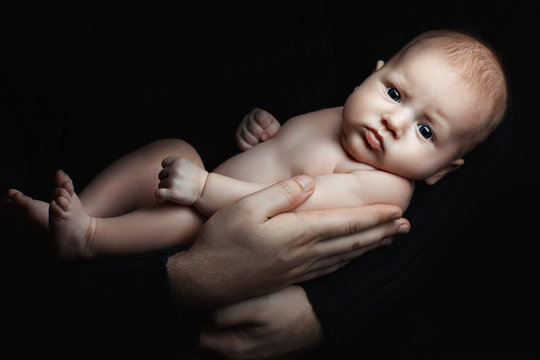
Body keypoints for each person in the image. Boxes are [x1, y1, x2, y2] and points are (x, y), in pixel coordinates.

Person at [6, 30, 507, 266]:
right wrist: (263, 133)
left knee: (188, 217)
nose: (392, 121)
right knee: (169, 148)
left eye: (426, 132)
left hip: (222, 234)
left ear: (443, 170)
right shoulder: (345, 115)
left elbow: (283, 206)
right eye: (395, 93)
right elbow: (283, 153)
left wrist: (204, 186)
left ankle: (89, 236)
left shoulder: (385, 188)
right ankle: (80, 210)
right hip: (205, 183)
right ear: (374, 74)